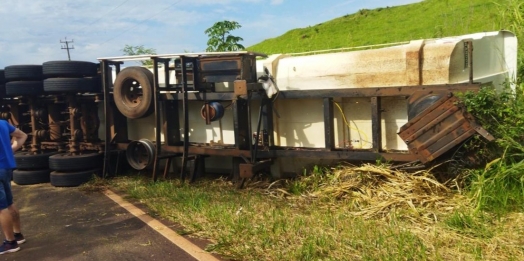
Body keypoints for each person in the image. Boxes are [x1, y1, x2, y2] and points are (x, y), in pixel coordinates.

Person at [0, 120, 27, 254]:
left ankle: (10, 242)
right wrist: (11, 150)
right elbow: (23, 135)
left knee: (1, 208)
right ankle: (17, 234)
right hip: (5, 169)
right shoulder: (3, 123)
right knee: (9, 203)